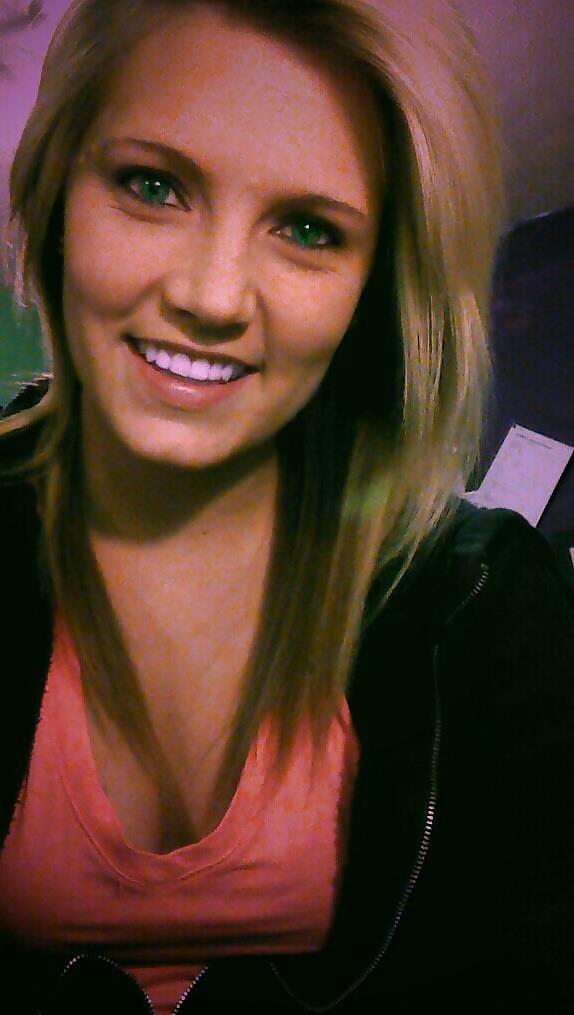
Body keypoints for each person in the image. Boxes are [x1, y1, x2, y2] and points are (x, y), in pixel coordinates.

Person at [1, 1, 573, 1011]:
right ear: (53, 195)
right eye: (154, 185)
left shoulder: (485, 611)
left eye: (309, 229)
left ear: (376, 288)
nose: (214, 295)